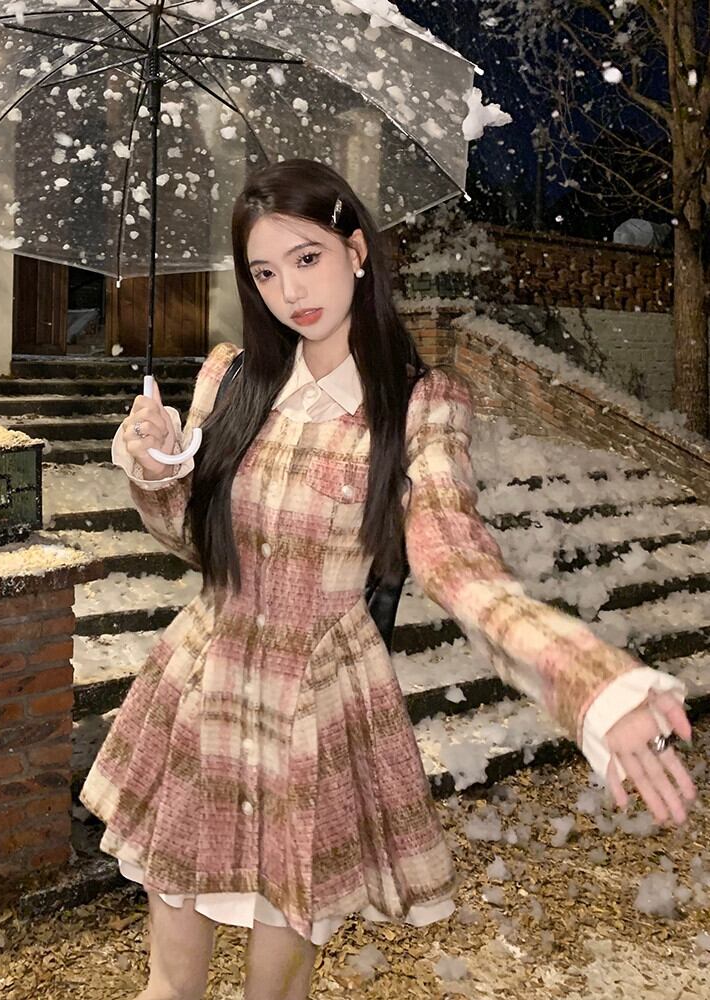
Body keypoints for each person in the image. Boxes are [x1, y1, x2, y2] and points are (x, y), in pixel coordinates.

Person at [80, 158, 697, 1000]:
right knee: (169, 988)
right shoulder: (231, 376)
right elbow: (200, 545)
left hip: (312, 712)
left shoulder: (419, 404)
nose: (290, 290)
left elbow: (452, 557)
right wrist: (158, 473)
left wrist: (585, 681)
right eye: (265, 272)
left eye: (307, 257)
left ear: (357, 249)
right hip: (204, 689)